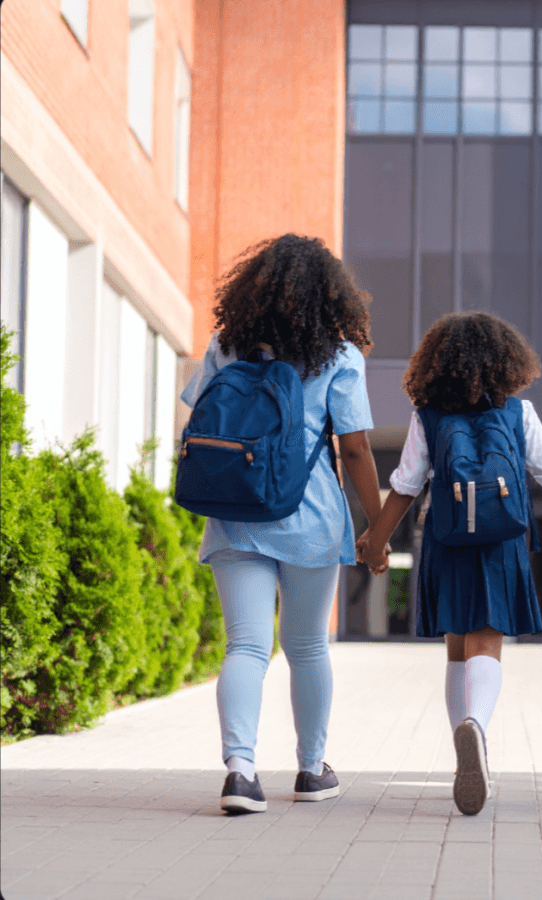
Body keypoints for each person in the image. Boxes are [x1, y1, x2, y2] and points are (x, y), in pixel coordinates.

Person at [180, 234, 384, 814]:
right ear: (331, 296)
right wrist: (377, 531)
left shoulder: (226, 345)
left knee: (245, 645)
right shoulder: (340, 356)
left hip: (235, 512)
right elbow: (357, 450)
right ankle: (311, 770)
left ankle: (240, 773)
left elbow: (200, 419)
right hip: (311, 514)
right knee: (307, 647)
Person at [358, 311, 542, 817]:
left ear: (434, 364)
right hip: (502, 539)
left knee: (458, 647)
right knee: (489, 641)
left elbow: (406, 483)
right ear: (507, 361)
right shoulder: (518, 413)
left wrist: (375, 542)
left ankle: (466, 742)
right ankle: (477, 730)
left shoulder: (428, 416)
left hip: (448, 539)